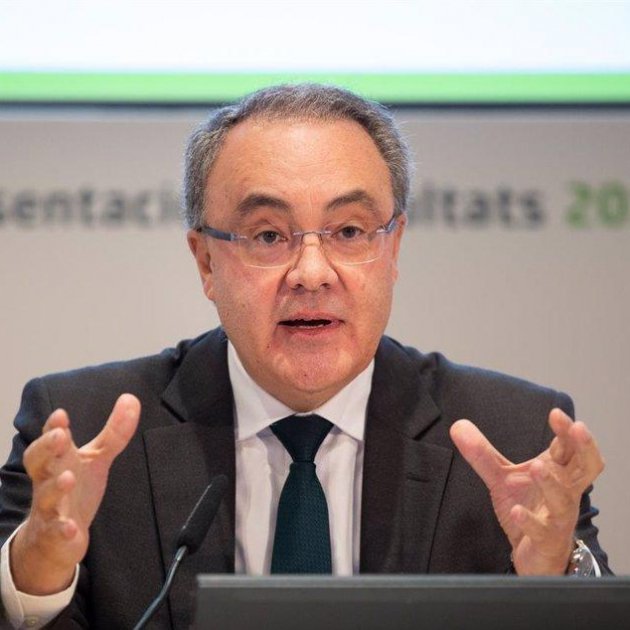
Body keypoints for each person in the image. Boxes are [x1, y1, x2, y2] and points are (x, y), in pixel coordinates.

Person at [0, 84, 609, 629]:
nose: (311, 273)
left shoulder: (514, 437)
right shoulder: (83, 433)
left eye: (349, 232)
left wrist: (554, 576)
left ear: (393, 248)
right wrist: (39, 571)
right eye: (269, 235)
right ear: (206, 261)